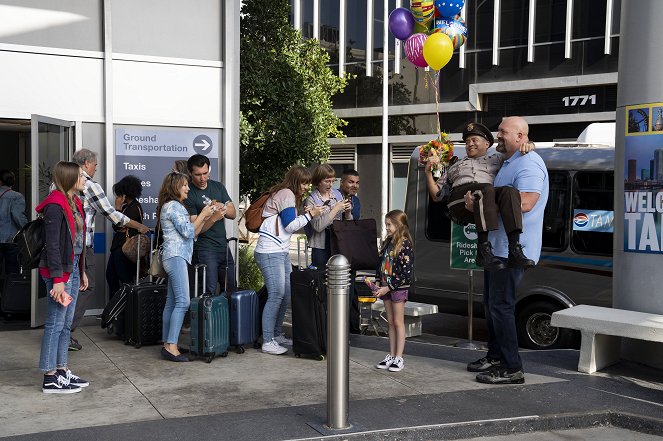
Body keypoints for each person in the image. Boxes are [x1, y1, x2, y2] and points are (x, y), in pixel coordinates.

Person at [464, 116, 549, 385]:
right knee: (491, 304)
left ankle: (513, 368)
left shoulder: (530, 163)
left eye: (502, 132)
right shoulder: (510, 161)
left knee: (501, 306)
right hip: (497, 248)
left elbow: (524, 204)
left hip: (513, 250)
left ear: (520, 137)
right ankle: (496, 356)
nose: (497, 135)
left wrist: (482, 207)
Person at [425, 122, 535, 270]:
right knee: (486, 189)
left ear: (487, 143)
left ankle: (514, 250)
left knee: (510, 192)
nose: (470, 144)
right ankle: (483, 250)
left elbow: (517, 151)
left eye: (474, 140)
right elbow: (436, 195)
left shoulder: (497, 159)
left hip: (485, 198)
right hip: (459, 200)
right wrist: (428, 172)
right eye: (467, 141)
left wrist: (529, 144)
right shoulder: (455, 164)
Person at [69, 149, 149, 351]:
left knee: (111, 283)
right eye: (95, 165)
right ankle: (68, 330)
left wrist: (127, 218)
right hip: (85, 247)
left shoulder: (61, 183)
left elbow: (117, 222)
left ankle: (118, 319)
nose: (96, 169)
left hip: (116, 250)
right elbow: (113, 218)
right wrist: (126, 216)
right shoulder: (90, 186)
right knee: (93, 285)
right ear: (86, 163)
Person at [254, 166, 324, 355]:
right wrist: (310, 215)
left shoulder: (285, 194)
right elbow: (291, 226)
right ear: (295, 181)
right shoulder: (286, 194)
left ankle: (276, 335)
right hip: (270, 252)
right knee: (277, 294)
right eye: (304, 183)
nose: (306, 187)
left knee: (286, 294)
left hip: (280, 251)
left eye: (308, 183)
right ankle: (268, 340)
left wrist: (306, 214)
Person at [37, 161, 89, 393]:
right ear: (70, 179)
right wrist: (58, 279)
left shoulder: (75, 202)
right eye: (82, 176)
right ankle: (50, 377)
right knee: (55, 324)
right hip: (60, 272)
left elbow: (77, 243)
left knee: (66, 325)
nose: (86, 179)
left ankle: (61, 370)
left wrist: (82, 269)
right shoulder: (55, 205)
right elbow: (53, 246)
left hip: (73, 268)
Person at [157, 171, 216, 362]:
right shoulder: (173, 206)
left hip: (175, 256)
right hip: (176, 256)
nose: (188, 188)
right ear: (175, 187)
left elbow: (193, 233)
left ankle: (167, 342)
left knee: (172, 302)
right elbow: (188, 231)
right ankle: (171, 346)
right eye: (184, 185)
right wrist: (203, 214)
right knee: (183, 301)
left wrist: (206, 217)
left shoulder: (173, 206)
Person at [185, 154, 236, 294]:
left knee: (231, 288)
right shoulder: (188, 193)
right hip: (204, 249)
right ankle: (207, 317)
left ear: (209, 170)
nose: (202, 178)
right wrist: (213, 217)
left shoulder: (218, 186)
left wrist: (221, 206)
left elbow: (233, 213)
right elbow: (195, 229)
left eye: (205, 173)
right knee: (209, 291)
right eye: (198, 174)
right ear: (190, 173)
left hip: (223, 247)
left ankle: (227, 317)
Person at [372, 210, 414, 373]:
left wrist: (387, 287)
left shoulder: (405, 245)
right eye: (386, 224)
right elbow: (380, 263)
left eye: (389, 224)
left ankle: (399, 357)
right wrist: (377, 281)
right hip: (385, 286)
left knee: (397, 322)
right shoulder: (387, 242)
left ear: (398, 225)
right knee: (390, 322)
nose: (387, 228)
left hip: (396, 288)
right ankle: (390, 354)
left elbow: (406, 274)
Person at [106, 175, 145, 297]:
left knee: (125, 279)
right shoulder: (128, 207)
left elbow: (117, 225)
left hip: (125, 249)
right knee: (111, 276)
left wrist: (117, 208)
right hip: (119, 247)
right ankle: (115, 310)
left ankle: (125, 312)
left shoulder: (134, 207)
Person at [304, 164, 351, 268]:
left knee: (338, 273)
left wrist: (348, 212)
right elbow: (318, 227)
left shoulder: (338, 195)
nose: (330, 185)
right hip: (320, 245)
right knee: (321, 275)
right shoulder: (311, 200)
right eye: (327, 181)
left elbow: (348, 222)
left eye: (333, 181)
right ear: (318, 181)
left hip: (337, 240)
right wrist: (335, 209)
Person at [0, 169, 28, 275]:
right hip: (10, 240)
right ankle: (9, 292)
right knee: (11, 272)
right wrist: (27, 230)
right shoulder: (16, 197)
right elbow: (18, 217)